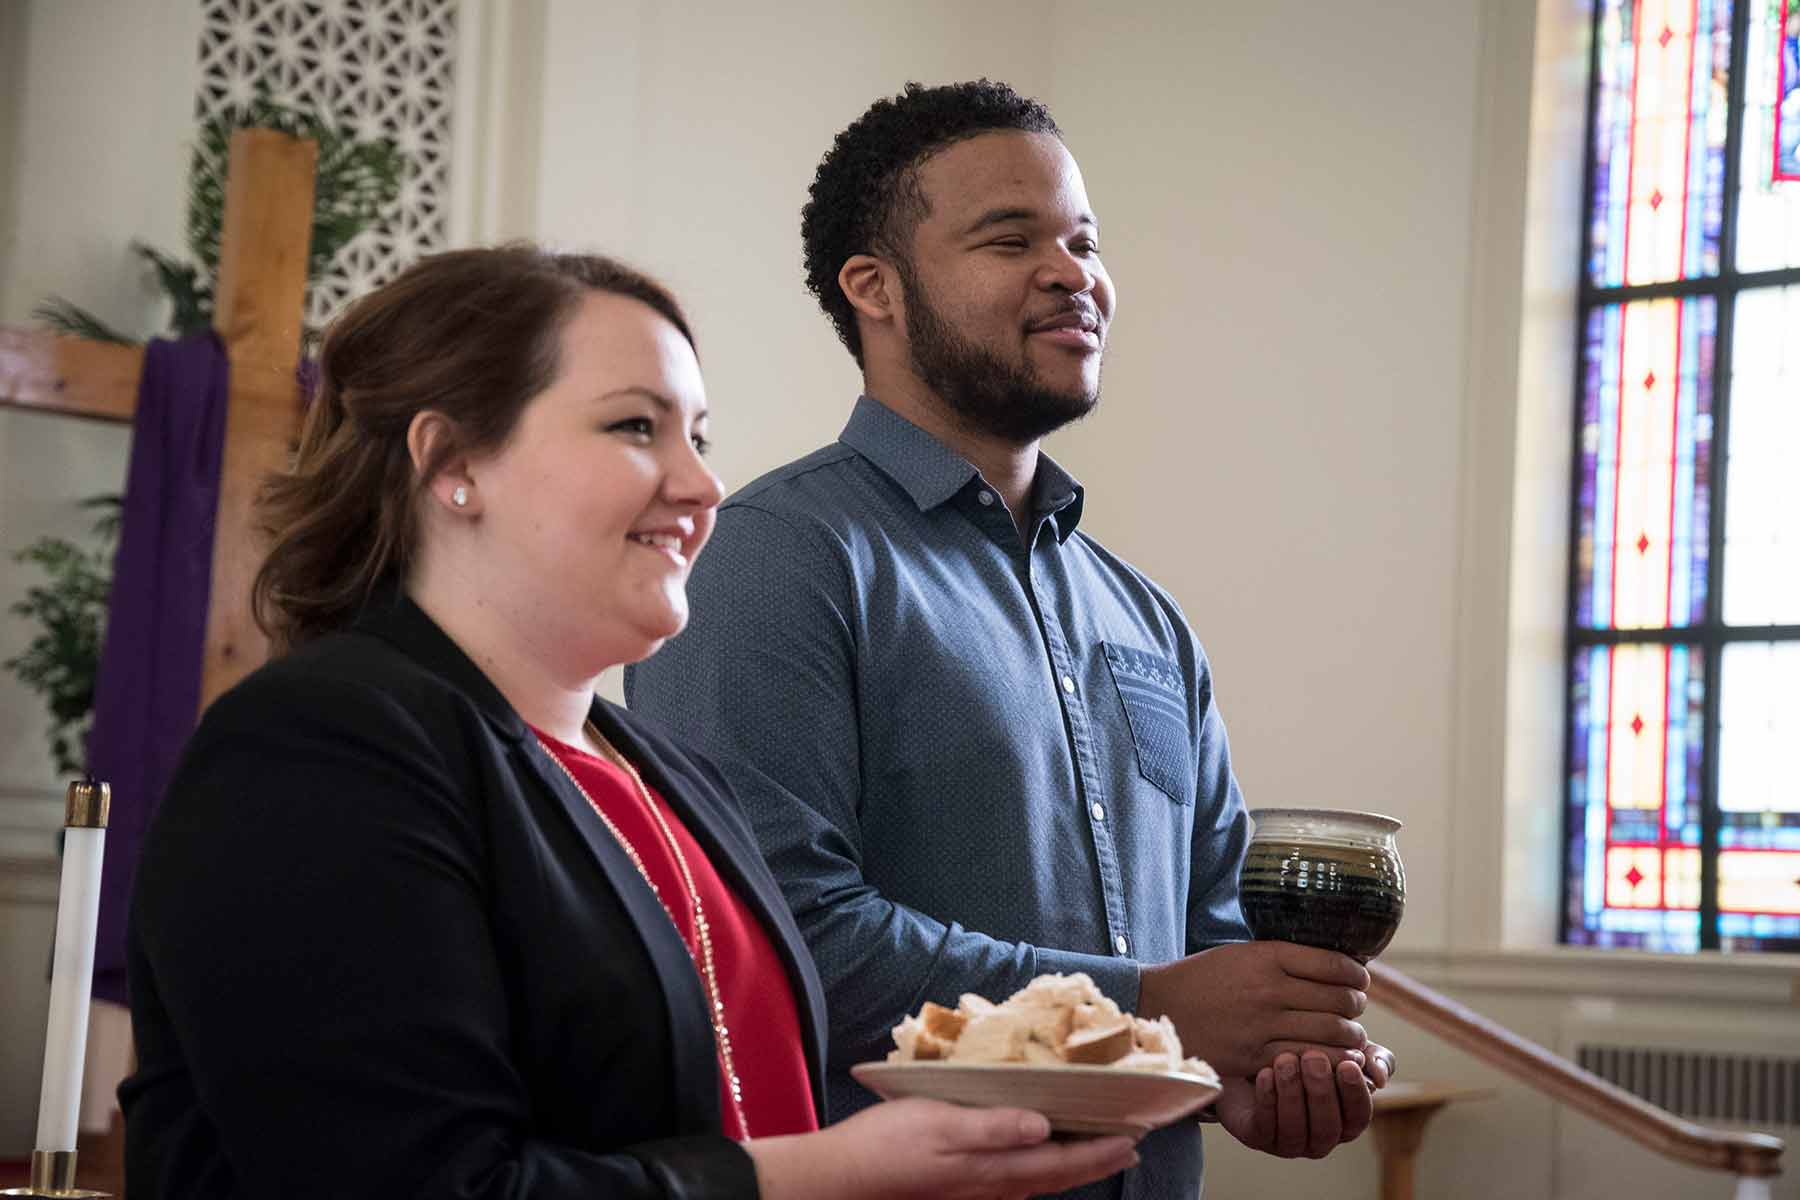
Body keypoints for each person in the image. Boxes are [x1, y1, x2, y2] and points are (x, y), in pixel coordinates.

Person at [118, 245, 1142, 1200]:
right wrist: (820, 1176)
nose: (703, 487)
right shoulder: (319, 746)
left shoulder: (669, 773)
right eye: (634, 427)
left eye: (698, 436)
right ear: (450, 463)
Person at [625, 82, 1393, 1199]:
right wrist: (1152, 1007)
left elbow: (1213, 932)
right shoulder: (772, 560)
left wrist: (1268, 1061)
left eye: (1085, 240)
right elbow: (778, 935)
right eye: (1011, 239)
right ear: (873, 288)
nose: (1073, 271)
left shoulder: (1146, 617)